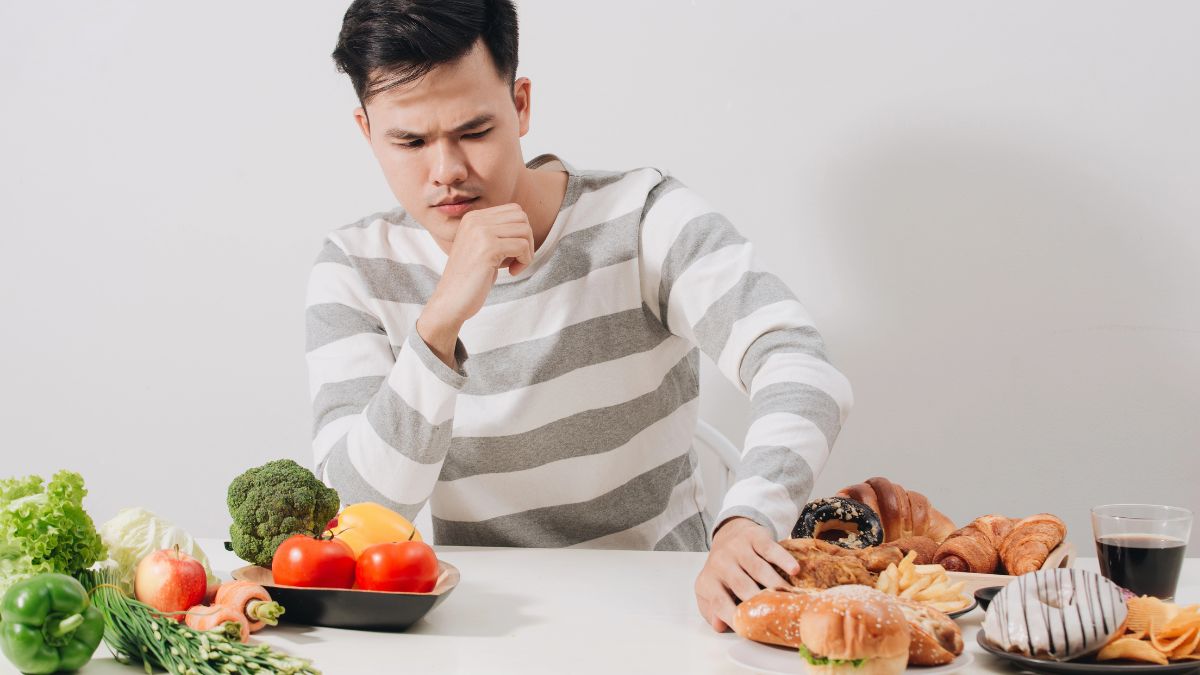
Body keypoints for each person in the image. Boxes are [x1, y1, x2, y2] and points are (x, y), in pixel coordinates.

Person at [309, 0, 853, 632]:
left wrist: (749, 521)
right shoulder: (354, 267)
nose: (448, 172)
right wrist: (438, 326)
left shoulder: (644, 217)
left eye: (475, 131)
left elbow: (803, 367)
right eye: (409, 141)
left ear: (521, 106)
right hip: (485, 623)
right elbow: (354, 516)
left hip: (673, 608)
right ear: (365, 130)